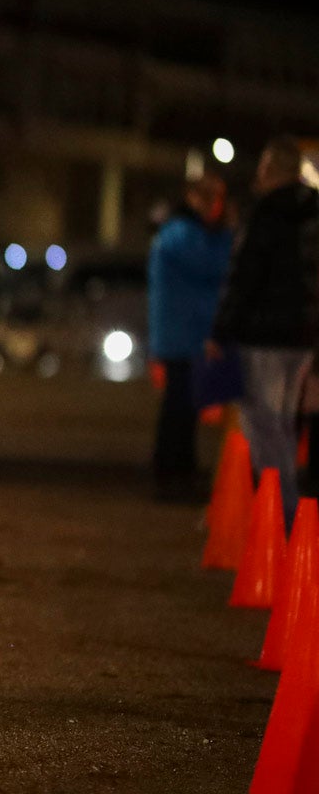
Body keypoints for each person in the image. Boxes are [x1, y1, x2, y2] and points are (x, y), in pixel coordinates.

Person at [209, 135, 319, 532]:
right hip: (303, 338)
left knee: (263, 424)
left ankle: (281, 515)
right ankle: (286, 508)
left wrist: (222, 331)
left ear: (271, 172)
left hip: (264, 335)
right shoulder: (313, 215)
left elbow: (243, 279)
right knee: (285, 423)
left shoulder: (265, 215)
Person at [147, 172, 232, 503]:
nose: (217, 206)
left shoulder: (180, 231)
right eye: (213, 198)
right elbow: (215, 265)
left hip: (183, 332)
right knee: (178, 406)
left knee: (182, 405)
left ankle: (178, 467)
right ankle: (172, 471)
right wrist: (227, 233)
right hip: (182, 333)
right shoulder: (183, 233)